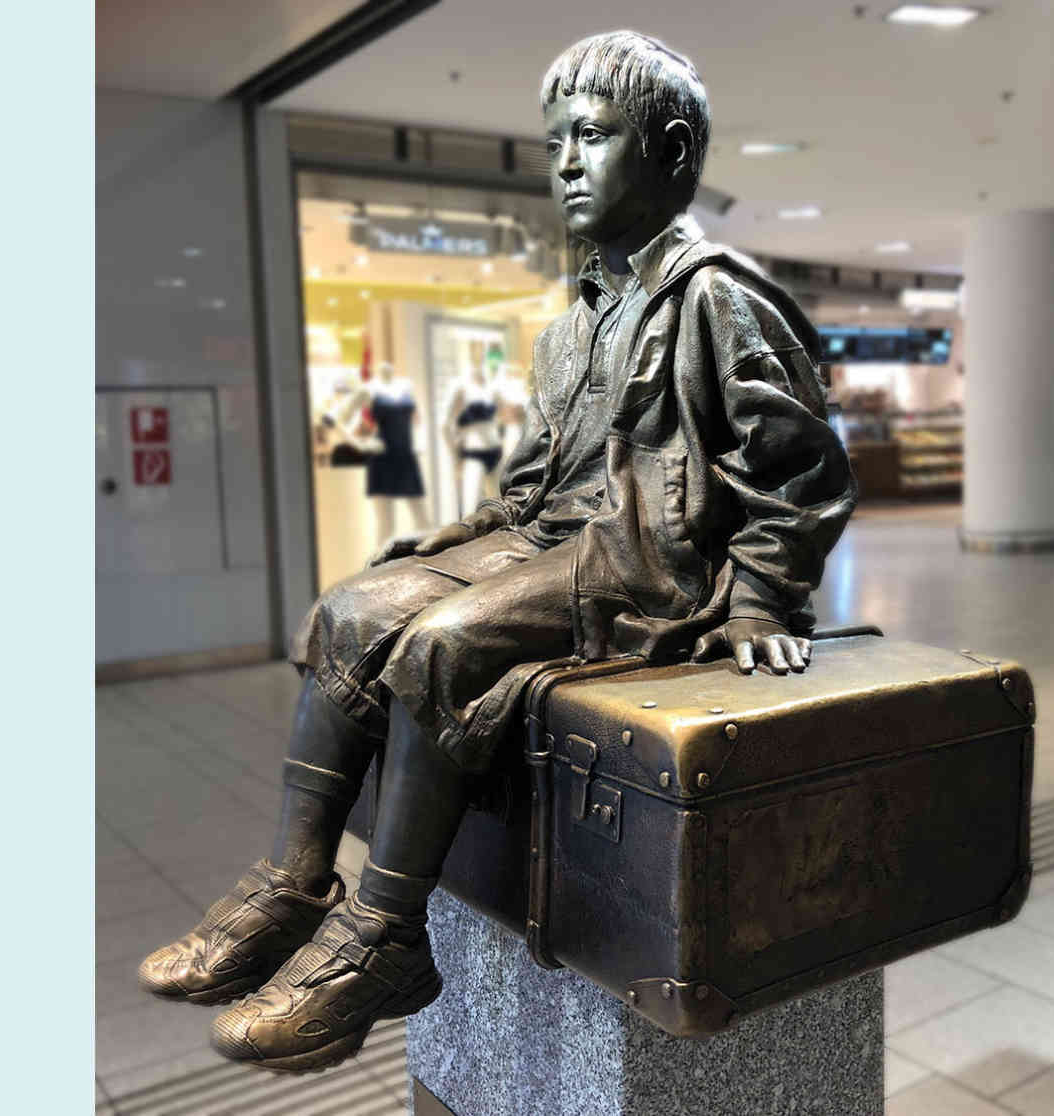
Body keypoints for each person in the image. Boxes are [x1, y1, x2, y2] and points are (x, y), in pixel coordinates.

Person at [136, 29, 856, 1074]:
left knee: (445, 643)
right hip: (557, 543)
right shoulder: (572, 324)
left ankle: (383, 938)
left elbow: (799, 470)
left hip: (654, 565)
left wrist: (758, 600)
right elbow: (536, 485)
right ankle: (292, 884)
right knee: (352, 609)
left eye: (595, 136)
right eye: (556, 137)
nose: (564, 160)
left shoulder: (717, 298)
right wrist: (456, 539)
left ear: (666, 149)